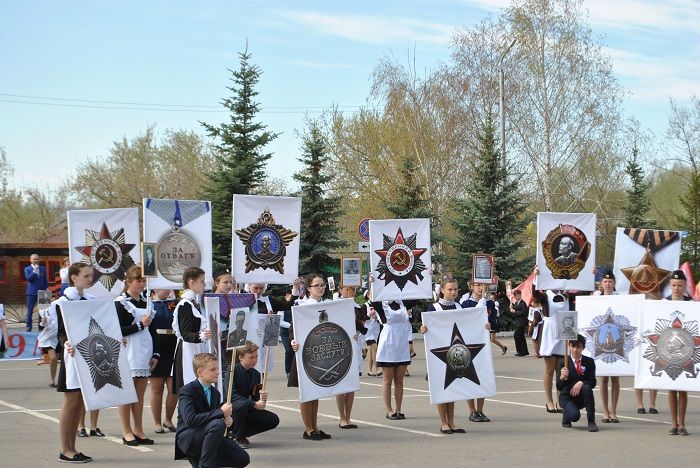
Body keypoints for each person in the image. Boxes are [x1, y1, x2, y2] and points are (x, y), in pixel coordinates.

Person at [55, 262, 99, 463]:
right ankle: (65, 449)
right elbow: (61, 333)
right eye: (86, 275)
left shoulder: (90, 299)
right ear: (73, 277)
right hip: (71, 356)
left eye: (91, 275)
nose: (90, 278)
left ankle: (72, 447)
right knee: (71, 403)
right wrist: (66, 344)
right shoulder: (63, 301)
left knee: (80, 402)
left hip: (88, 355)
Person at [174, 353, 250, 468]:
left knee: (242, 458)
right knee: (217, 424)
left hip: (209, 436)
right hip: (190, 438)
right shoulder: (187, 390)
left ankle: (201, 462)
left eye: (218, 368)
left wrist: (227, 421)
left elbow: (213, 419)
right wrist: (220, 412)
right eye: (213, 369)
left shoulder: (215, 393)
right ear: (200, 372)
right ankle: (205, 465)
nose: (217, 372)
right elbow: (190, 420)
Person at [115, 266, 158, 446]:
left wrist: (156, 353)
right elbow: (117, 329)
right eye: (138, 280)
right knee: (127, 394)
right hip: (128, 349)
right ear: (129, 281)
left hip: (144, 349)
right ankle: (127, 431)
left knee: (139, 394)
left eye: (143, 281)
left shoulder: (147, 301)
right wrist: (140, 325)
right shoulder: (120, 302)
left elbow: (153, 329)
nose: (141, 284)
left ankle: (138, 430)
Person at [288, 274, 332, 441]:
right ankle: (308, 429)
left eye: (322, 285)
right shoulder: (301, 305)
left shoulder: (329, 305)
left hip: (321, 353)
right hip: (306, 353)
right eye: (316, 285)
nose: (320, 288)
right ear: (308, 288)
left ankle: (315, 427)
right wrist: (293, 341)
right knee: (307, 393)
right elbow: (293, 330)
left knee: (316, 392)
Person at [369, 275, 415, 421]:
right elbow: (373, 297)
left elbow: (420, 294)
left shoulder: (404, 304)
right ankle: (389, 410)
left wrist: (427, 278)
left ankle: (399, 409)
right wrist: (372, 283)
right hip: (388, 344)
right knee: (387, 380)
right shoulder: (381, 305)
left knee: (400, 381)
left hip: (401, 344)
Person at [230, 341, 279, 447]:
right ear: (241, 357)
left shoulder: (256, 374)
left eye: (256, 357)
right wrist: (253, 404)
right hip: (232, 410)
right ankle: (238, 436)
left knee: (273, 420)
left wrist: (262, 399)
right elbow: (231, 396)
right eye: (251, 357)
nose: (255, 360)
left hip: (247, 408)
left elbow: (255, 397)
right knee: (241, 405)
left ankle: (240, 433)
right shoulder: (232, 372)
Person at [173, 267, 211, 394]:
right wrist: (202, 335)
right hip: (187, 351)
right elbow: (185, 333)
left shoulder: (194, 303)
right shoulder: (185, 304)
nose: (204, 284)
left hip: (196, 350)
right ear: (191, 282)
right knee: (188, 389)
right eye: (202, 281)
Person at [591, 270, 621, 424]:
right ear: (601, 284)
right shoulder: (595, 297)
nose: (608, 284)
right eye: (605, 282)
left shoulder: (621, 299)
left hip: (615, 340)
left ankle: (614, 411)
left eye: (610, 282)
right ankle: (605, 411)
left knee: (615, 378)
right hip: (600, 340)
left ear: (614, 283)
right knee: (603, 378)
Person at [665, 269, 691, 435]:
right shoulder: (662, 303)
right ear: (670, 285)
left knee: (683, 389)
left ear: (685, 285)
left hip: (686, 351)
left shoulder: (693, 304)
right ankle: (673, 423)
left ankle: (682, 423)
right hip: (668, 351)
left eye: (680, 285)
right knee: (671, 388)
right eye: (674, 285)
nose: (676, 288)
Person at [335, 285, 365, 429]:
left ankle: (348, 417)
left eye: (352, 290)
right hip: (340, 346)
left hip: (355, 346)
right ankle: (342, 417)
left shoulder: (357, 307)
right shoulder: (335, 305)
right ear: (340, 290)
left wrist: (359, 330)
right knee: (342, 384)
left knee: (351, 385)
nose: (349, 292)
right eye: (346, 289)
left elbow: (364, 326)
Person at [150, 289, 178, 434]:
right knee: (157, 386)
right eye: (163, 287)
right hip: (157, 342)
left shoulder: (176, 302)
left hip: (174, 343)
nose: (168, 290)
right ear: (155, 288)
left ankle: (168, 419)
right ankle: (157, 422)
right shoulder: (150, 304)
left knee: (174, 387)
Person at [556, 334, 598, 432]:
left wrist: (581, 382)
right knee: (575, 416)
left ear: (583, 348)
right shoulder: (564, 362)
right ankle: (566, 417)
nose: (575, 349)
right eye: (573, 346)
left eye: (578, 346)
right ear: (569, 346)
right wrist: (562, 377)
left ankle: (591, 422)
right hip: (567, 397)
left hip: (582, 397)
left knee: (587, 388)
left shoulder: (589, 361)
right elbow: (559, 386)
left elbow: (593, 382)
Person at [37, 296, 59, 387]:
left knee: (57, 360)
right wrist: (43, 322)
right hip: (48, 338)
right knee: (53, 358)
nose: (52, 299)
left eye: (54, 297)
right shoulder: (42, 310)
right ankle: (52, 380)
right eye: (50, 298)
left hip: (59, 336)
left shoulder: (60, 307)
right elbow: (40, 327)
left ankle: (58, 380)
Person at [24, 253, 48, 331]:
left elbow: (45, 280)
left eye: (37, 259)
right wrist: (34, 271)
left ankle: (41, 325)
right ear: (30, 260)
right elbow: (29, 279)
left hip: (43, 291)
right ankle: (29, 326)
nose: (36, 260)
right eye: (34, 259)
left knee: (43, 310)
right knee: (30, 309)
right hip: (32, 292)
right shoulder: (27, 269)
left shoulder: (43, 268)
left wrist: (46, 289)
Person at [510, 289, 530, 356]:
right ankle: (524, 351)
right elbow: (514, 314)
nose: (516, 297)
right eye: (515, 296)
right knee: (521, 336)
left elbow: (523, 313)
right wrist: (512, 310)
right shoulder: (516, 303)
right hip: (518, 322)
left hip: (522, 322)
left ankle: (521, 351)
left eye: (518, 295)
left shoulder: (523, 303)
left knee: (517, 335)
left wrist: (515, 311)